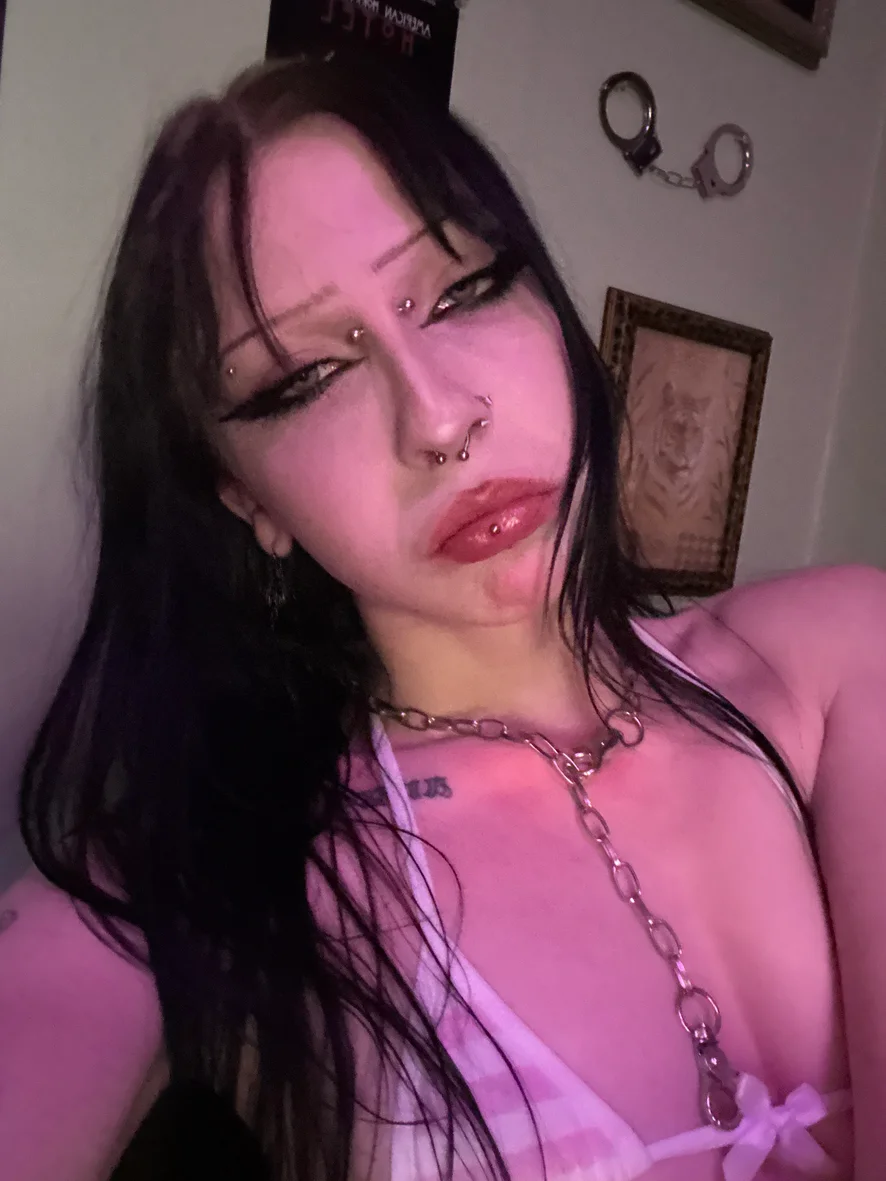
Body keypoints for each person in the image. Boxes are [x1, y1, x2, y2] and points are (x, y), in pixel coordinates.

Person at [0, 50, 883, 1181]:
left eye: (463, 290)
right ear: (243, 497)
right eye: (306, 379)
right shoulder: (201, 875)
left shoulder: (835, 652)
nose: (438, 417)